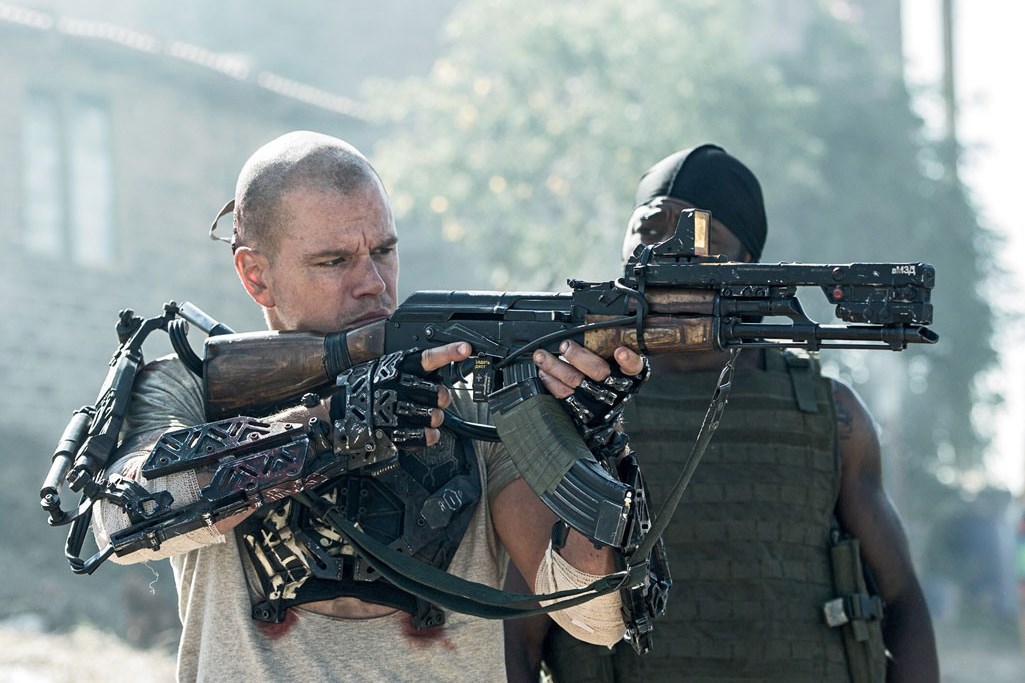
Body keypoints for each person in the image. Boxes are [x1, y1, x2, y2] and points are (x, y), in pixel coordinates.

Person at [90, 131, 647, 682]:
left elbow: (592, 612)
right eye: (334, 261)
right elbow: (120, 519)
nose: (373, 283)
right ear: (256, 276)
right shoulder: (193, 388)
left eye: (383, 251)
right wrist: (332, 423)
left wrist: (594, 435)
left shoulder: (477, 399)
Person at [506, 144, 940, 682]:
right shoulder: (575, 405)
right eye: (648, 232)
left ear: (746, 264)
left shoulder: (829, 415)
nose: (665, 256)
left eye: (693, 239)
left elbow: (903, 602)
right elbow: (519, 633)